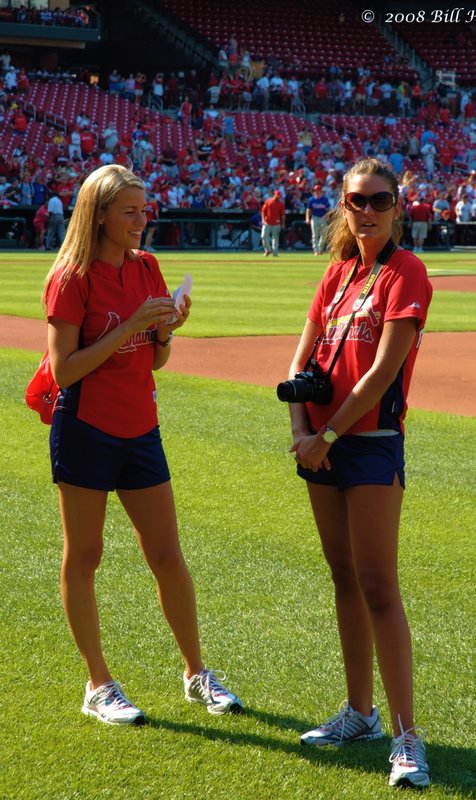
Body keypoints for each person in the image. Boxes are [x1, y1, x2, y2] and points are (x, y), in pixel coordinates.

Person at [42, 165, 243, 726]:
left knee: (168, 556)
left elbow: (156, 359)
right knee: (84, 557)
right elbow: (64, 371)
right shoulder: (71, 277)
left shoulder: (147, 266)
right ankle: (98, 683)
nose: (141, 219)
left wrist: (165, 329)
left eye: (143, 208)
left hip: (140, 427)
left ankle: (196, 672)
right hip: (86, 428)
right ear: (99, 214)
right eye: (130, 210)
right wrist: (130, 326)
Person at [284, 158, 432, 789]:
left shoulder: (407, 272)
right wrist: (300, 434)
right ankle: (360, 714)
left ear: (397, 206)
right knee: (342, 575)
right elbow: (302, 356)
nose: (365, 211)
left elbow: (381, 374)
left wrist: (327, 435)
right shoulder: (336, 273)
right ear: (342, 206)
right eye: (354, 201)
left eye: (377, 200)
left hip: (367, 444)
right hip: (318, 446)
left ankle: (406, 736)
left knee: (378, 584)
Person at [305, 184, 330, 256]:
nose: (316, 192)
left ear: (320, 191)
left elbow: (328, 209)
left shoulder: (324, 199)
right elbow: (308, 210)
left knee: (324, 235)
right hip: (315, 217)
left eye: (318, 191)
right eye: (315, 191)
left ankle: (320, 249)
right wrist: (307, 218)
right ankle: (316, 250)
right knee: (315, 235)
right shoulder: (311, 199)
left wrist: (327, 217)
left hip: (323, 217)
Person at [261, 190, 285, 257]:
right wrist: (263, 219)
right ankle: (268, 249)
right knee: (263, 236)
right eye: (277, 196)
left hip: (276, 223)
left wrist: (283, 223)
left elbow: (283, 215)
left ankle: (275, 252)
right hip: (267, 222)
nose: (278, 197)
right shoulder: (268, 201)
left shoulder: (281, 204)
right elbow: (263, 211)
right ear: (274, 195)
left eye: (279, 196)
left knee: (275, 238)